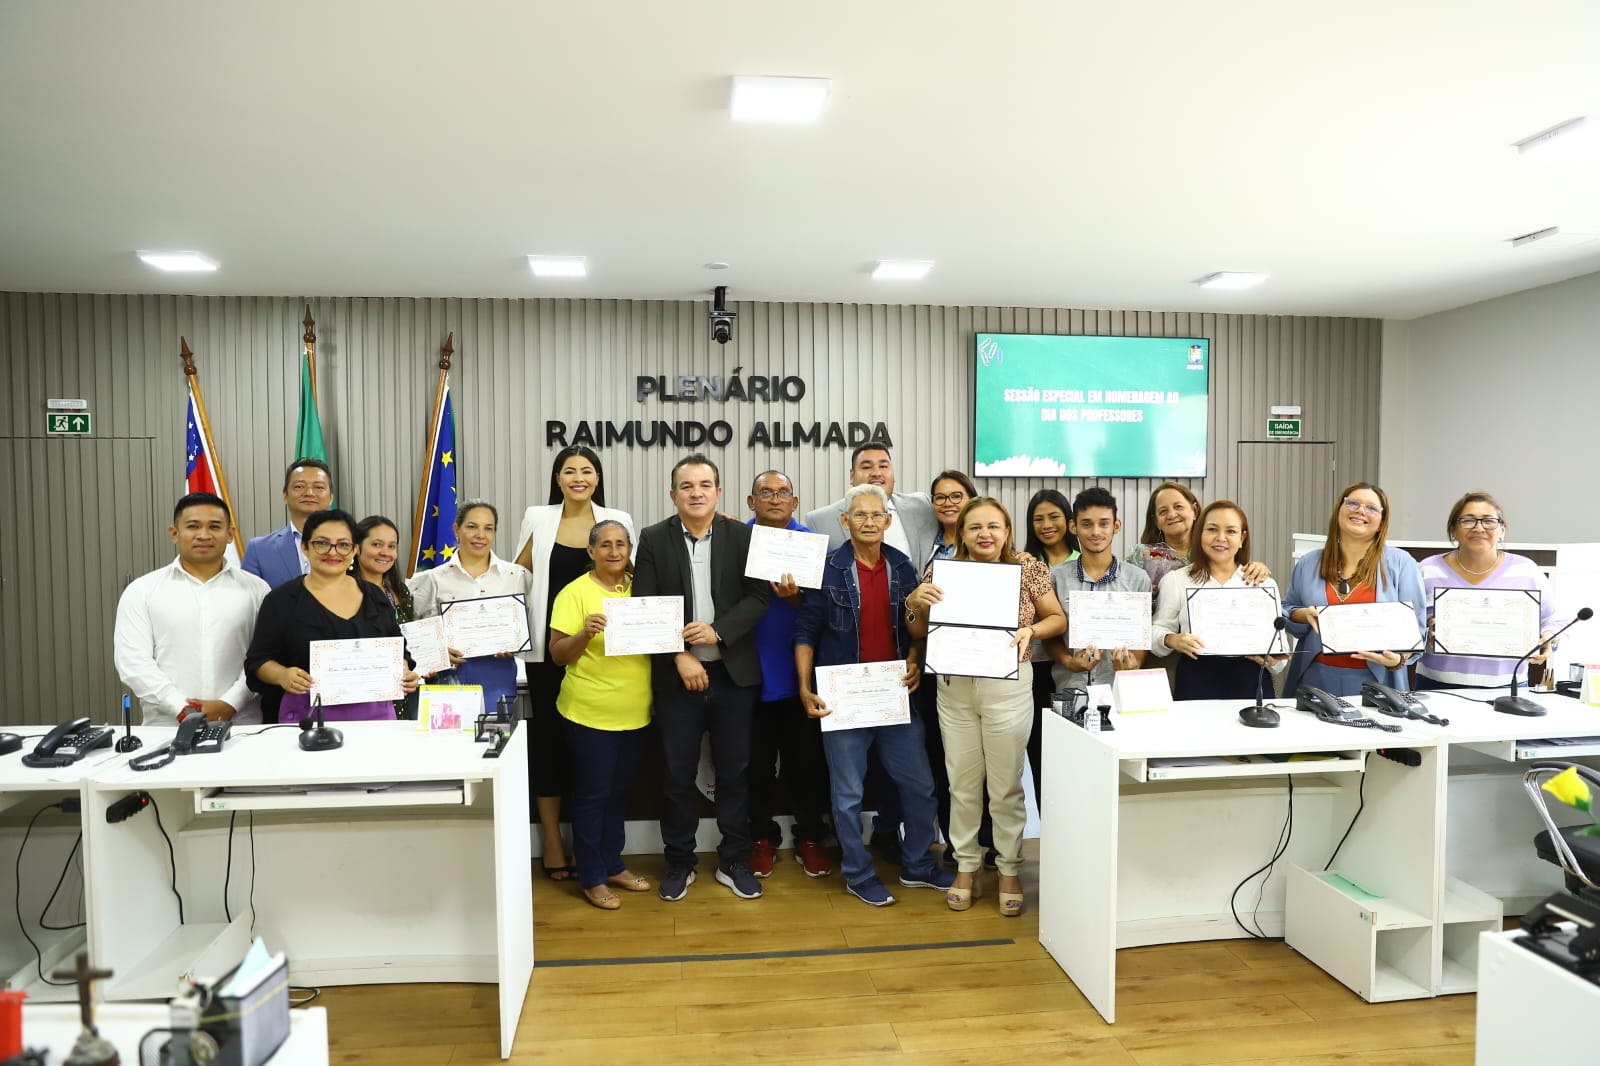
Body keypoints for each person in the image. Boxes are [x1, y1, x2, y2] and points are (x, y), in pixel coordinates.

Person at [793, 484, 955, 906]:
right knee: (847, 795)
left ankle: (918, 865)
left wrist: (917, 656)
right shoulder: (827, 569)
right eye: (859, 515)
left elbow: (917, 623)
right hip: (843, 698)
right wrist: (805, 688)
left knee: (920, 787)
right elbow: (806, 631)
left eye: (876, 514)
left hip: (895, 695)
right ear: (844, 521)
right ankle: (857, 872)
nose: (869, 522)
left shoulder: (903, 566)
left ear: (887, 520)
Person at [906, 497, 1066, 917]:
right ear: (962, 532)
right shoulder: (942, 570)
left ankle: (1010, 868)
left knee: (1006, 786)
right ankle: (967, 866)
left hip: (1008, 687)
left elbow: (1057, 619)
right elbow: (918, 629)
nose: (985, 535)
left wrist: (1031, 628)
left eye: (994, 526)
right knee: (961, 783)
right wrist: (914, 603)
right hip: (954, 688)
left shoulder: (1026, 567)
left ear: (1007, 531)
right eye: (975, 527)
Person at [634, 454, 770, 902]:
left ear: (718, 492)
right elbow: (646, 605)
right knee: (676, 774)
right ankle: (679, 862)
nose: (696, 492)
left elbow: (758, 597)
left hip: (734, 674)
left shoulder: (743, 536)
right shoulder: (653, 538)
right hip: (678, 678)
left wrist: (718, 632)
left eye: (705, 484)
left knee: (735, 772)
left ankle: (734, 859)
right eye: (687, 486)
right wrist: (680, 654)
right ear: (673, 495)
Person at [512, 446, 635, 882]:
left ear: (598, 478)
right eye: (569, 471)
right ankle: (552, 840)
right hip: (552, 651)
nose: (578, 477)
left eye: (587, 471)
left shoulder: (616, 519)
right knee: (549, 744)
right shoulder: (538, 517)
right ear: (558, 478)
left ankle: (596, 852)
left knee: (594, 759)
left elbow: (634, 574)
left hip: (604, 655)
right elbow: (516, 575)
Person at [547, 520, 654, 910]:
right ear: (590, 552)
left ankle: (612, 864)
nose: (613, 551)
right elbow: (558, 654)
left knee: (619, 795)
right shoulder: (574, 593)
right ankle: (591, 876)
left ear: (629, 550)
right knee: (592, 797)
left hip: (635, 711)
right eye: (605, 545)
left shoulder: (643, 588)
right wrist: (584, 634)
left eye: (621, 544)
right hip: (588, 713)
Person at [245, 508, 420, 723]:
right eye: (322, 543)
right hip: (307, 721)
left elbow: (398, 649)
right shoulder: (281, 600)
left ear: (355, 550)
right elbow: (258, 661)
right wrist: (282, 675)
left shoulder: (375, 596)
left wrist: (403, 671)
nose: (333, 552)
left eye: (344, 545)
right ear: (305, 547)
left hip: (375, 720)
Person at [744, 470, 833, 879]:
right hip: (748, 675)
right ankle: (760, 838)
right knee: (755, 767)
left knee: (806, 765)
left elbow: (826, 617)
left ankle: (810, 836)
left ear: (794, 503)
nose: (775, 499)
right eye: (766, 493)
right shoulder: (734, 543)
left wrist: (798, 600)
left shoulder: (813, 548)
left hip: (801, 677)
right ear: (751, 502)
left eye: (783, 493)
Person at [114, 493, 269, 725]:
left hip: (241, 725)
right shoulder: (143, 591)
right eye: (193, 526)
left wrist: (231, 703)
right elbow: (133, 662)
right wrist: (180, 708)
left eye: (214, 526)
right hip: (167, 727)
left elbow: (265, 657)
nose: (203, 535)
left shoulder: (257, 590)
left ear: (230, 534)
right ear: (174, 533)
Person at [1283, 482, 1426, 696]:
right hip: (1315, 678)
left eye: (1371, 508)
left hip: (1378, 681)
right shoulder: (1308, 563)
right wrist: (1301, 615)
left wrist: (1398, 660)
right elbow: (1288, 609)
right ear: (1339, 510)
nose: (1360, 510)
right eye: (1353, 503)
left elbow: (1416, 631)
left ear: (1382, 521)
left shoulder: (1402, 564)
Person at [916, 470, 989, 869]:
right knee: (948, 761)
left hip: (991, 670)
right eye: (939, 497)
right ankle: (956, 843)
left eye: (956, 495)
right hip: (940, 666)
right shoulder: (928, 549)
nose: (947, 503)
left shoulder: (995, 548)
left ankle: (992, 844)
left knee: (992, 767)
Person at [1416, 491, 1557, 690]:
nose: (1479, 527)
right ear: (1453, 530)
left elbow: (1554, 619)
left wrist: (1548, 638)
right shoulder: (1427, 570)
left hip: (1508, 687)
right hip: (1435, 684)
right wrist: (1425, 632)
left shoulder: (1526, 570)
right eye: (1468, 520)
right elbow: (1406, 625)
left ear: (1502, 530)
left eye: (1489, 521)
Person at [1149, 500, 1288, 699]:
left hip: (1251, 681)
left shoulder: (1263, 584)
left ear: (1242, 538)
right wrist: (1172, 639)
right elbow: (1155, 631)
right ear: (1200, 534)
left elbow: (1281, 649)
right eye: (1212, 529)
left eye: (1231, 531)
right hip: (1196, 680)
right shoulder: (1176, 580)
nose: (1220, 538)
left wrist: (1274, 660)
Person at [409, 501, 532, 713]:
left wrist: (517, 644)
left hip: (498, 674)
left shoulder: (517, 576)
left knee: (495, 740)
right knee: (448, 741)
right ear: (457, 530)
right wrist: (435, 651)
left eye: (488, 528)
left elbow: (533, 624)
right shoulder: (432, 579)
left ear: (495, 533)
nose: (480, 535)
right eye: (472, 526)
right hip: (449, 676)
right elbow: (410, 632)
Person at [1048, 487, 1151, 691]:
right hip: (1070, 690)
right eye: (1086, 524)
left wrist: (1133, 664)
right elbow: (1051, 637)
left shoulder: (1138, 579)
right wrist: (1068, 662)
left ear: (1116, 525)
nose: (1096, 532)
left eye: (1104, 523)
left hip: (1120, 690)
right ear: (1073, 527)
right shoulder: (1056, 578)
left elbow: (1142, 636)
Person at [1020, 488, 1079, 816]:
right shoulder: (1024, 562)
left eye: (1054, 516)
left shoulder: (1084, 563)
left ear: (1070, 522)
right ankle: (1050, 826)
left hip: (1076, 669)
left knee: (1074, 754)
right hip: (1035, 668)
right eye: (1038, 518)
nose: (1046, 524)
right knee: (1041, 754)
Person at [804, 445, 939, 572]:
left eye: (883, 466)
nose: (876, 473)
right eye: (867, 467)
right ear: (852, 475)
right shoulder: (820, 521)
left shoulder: (922, 505)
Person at [350, 514, 418, 719]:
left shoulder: (400, 591)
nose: (385, 553)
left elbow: (410, 641)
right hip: (362, 696)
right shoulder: (343, 593)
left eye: (392, 546)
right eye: (377, 544)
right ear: (357, 547)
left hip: (402, 693)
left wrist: (423, 665)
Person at [242, 458, 334, 589]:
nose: (309, 493)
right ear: (285, 495)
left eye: (318, 487)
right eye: (299, 486)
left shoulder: (350, 546)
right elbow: (251, 603)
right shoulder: (259, 549)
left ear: (331, 498)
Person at [1126, 481, 1202, 591]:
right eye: (1163, 511)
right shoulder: (1141, 558)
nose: (1171, 515)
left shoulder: (1211, 553)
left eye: (1178, 507)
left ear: (1194, 511)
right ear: (1156, 521)